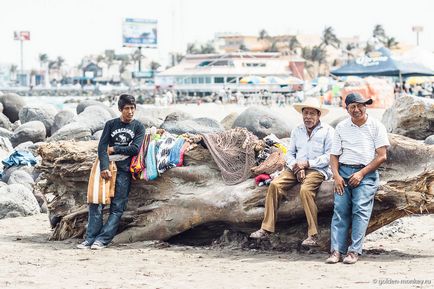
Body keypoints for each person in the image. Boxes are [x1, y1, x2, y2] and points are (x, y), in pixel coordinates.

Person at [250, 97, 334, 246]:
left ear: (318, 115)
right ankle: (266, 229)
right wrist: (297, 166)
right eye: (305, 113)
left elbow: (329, 156)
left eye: (311, 113)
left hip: (316, 169)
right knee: (275, 185)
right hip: (295, 168)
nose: (308, 117)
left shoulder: (328, 131)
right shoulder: (297, 130)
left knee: (306, 190)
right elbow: (289, 154)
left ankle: (313, 235)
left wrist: (306, 164)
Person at [326, 92, 389, 264]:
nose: (357, 109)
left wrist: (361, 174)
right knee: (340, 210)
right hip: (343, 172)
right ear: (347, 109)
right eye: (352, 106)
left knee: (360, 209)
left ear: (365, 106)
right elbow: (333, 155)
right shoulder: (341, 127)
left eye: (360, 105)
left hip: (366, 173)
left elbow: (382, 156)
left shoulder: (376, 126)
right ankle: (336, 251)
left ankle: (354, 251)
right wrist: (337, 176)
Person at [77, 94, 145, 250]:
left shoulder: (138, 127)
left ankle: (102, 240)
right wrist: (104, 167)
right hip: (107, 166)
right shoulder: (110, 124)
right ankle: (90, 238)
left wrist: (115, 148)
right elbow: (102, 147)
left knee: (117, 207)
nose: (130, 111)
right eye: (126, 108)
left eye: (132, 108)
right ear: (120, 109)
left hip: (124, 170)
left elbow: (135, 149)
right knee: (96, 202)